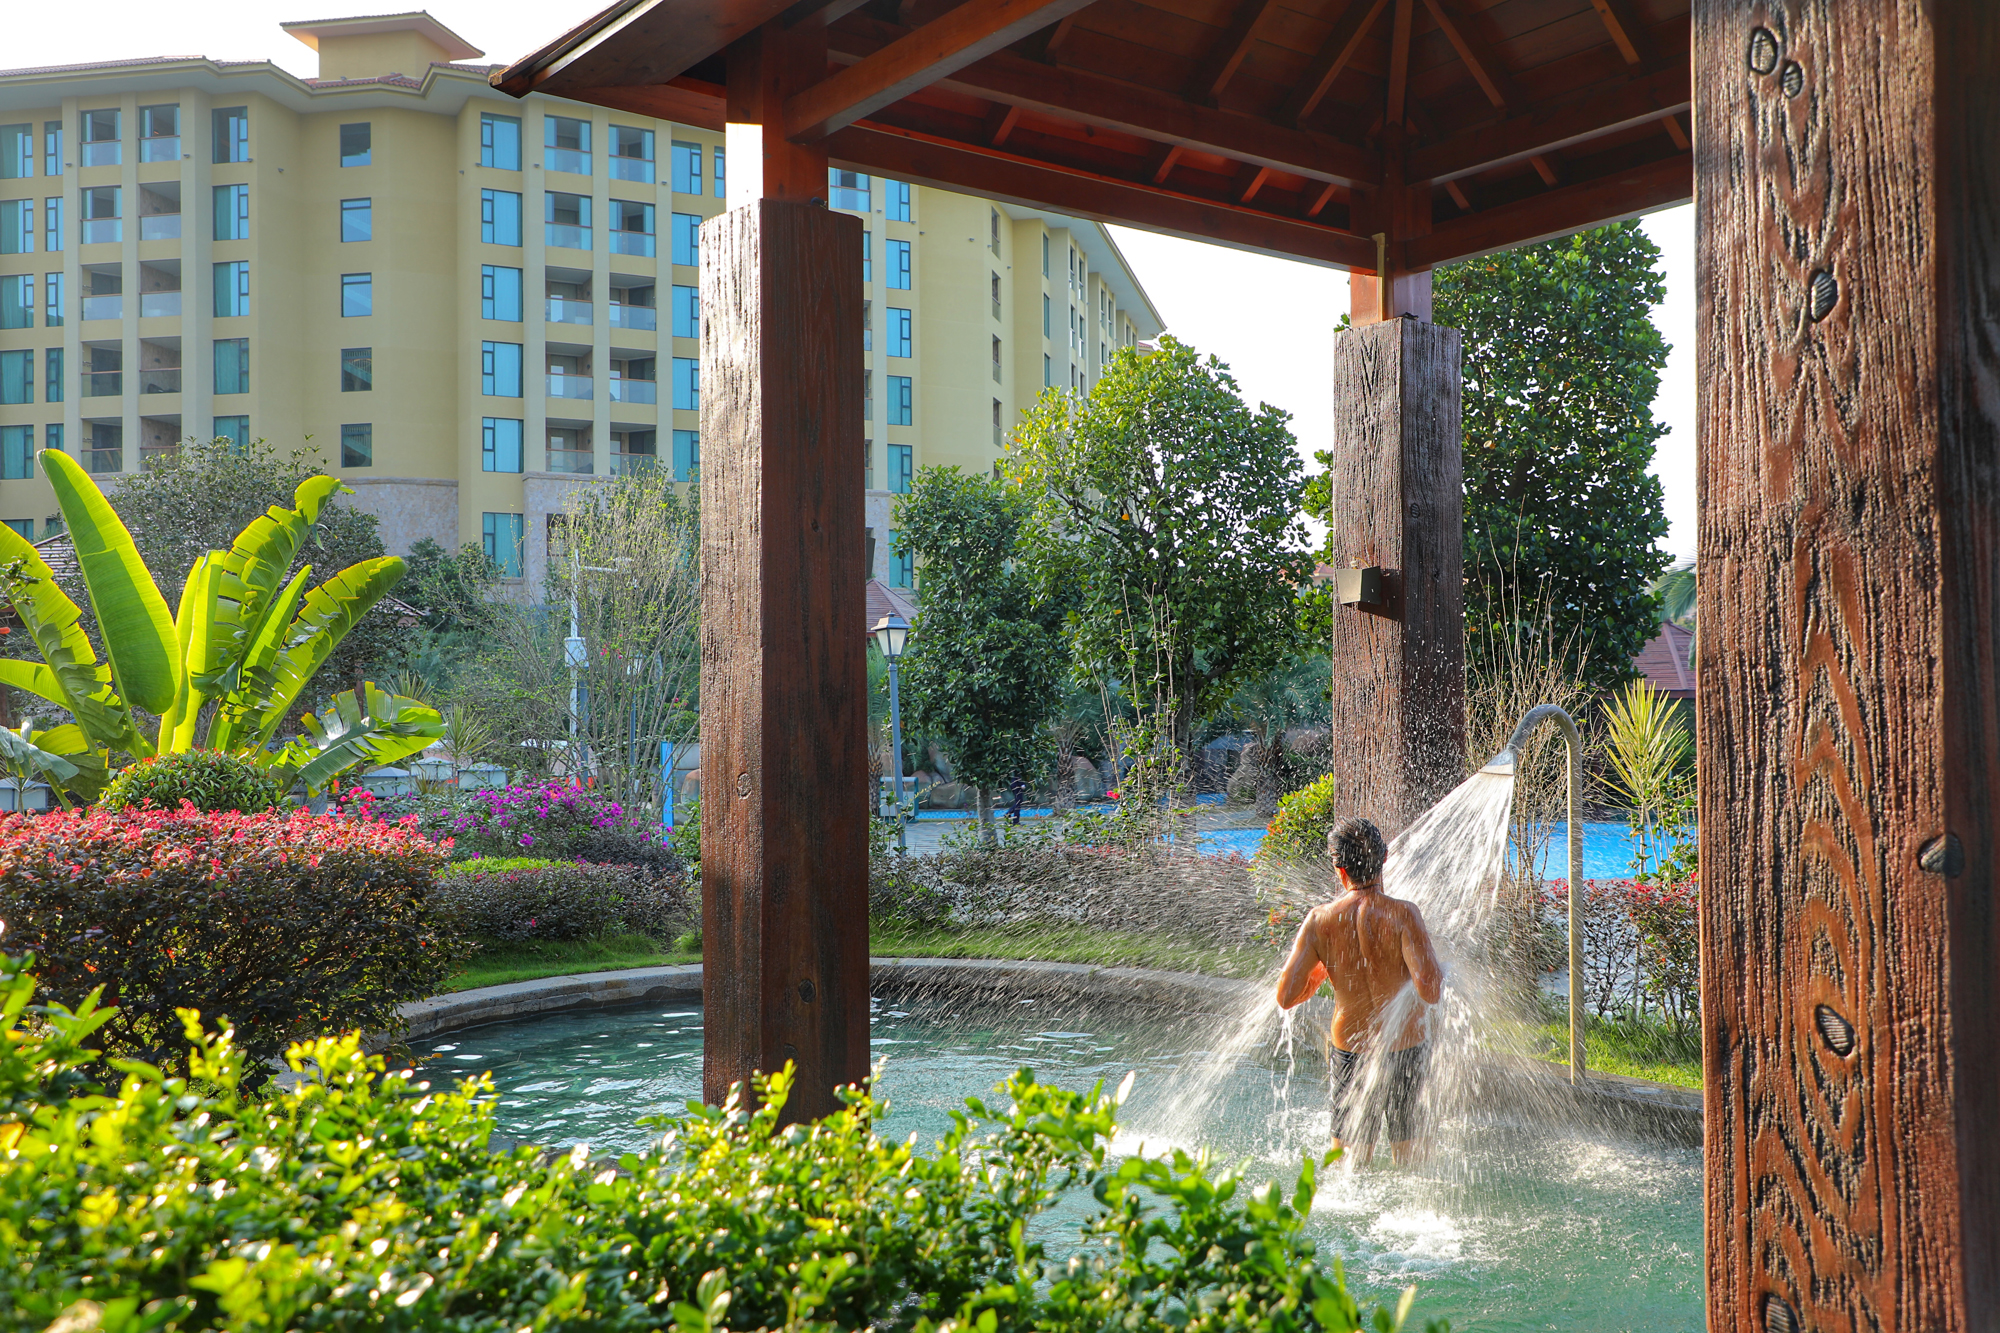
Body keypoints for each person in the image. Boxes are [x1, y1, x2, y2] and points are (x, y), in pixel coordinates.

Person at [1275, 816, 1444, 1166]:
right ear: (1384, 859)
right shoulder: (1403, 915)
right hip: (1405, 1046)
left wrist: (1323, 969)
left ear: (1339, 870)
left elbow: (1286, 996)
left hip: (1350, 1049)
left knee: (1349, 1165)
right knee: (1412, 1161)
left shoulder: (1320, 921)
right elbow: (1430, 990)